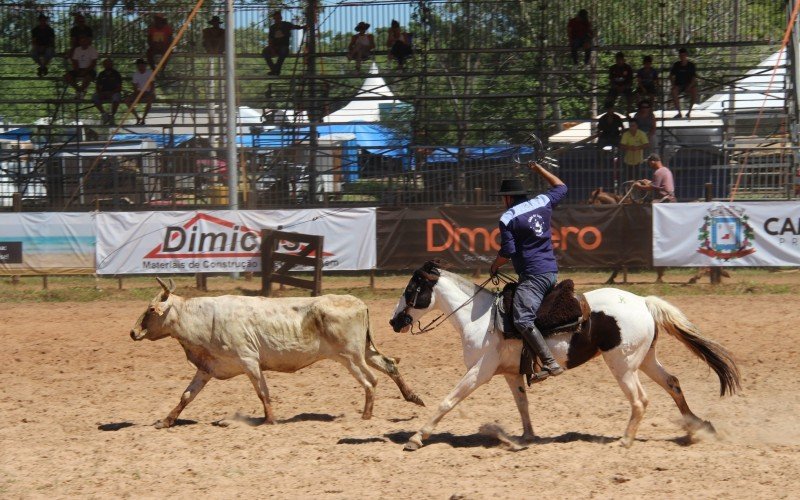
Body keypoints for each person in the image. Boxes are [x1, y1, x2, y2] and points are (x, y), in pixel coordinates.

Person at [489, 163, 568, 381]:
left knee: (522, 319)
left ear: (508, 198)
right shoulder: (541, 202)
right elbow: (561, 186)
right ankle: (537, 361)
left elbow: (508, 251)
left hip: (534, 276)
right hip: (551, 271)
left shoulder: (507, 217)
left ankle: (550, 362)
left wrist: (495, 265)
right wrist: (539, 169)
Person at [262, 11, 305, 76]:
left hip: (284, 46)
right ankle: (274, 69)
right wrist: (272, 49)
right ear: (274, 19)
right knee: (265, 51)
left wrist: (303, 27)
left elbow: (295, 27)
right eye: (275, 18)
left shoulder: (286, 24)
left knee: (283, 51)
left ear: (281, 18)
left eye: (278, 18)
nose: (277, 20)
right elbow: (270, 39)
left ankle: (275, 70)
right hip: (275, 47)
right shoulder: (272, 27)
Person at [92, 58, 122, 125]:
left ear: (112, 65)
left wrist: (111, 92)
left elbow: (119, 87)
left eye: (109, 64)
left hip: (113, 93)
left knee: (116, 97)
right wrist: (100, 93)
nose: (107, 65)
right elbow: (97, 86)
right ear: (104, 65)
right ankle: (104, 114)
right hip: (103, 93)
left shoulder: (116, 74)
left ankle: (112, 115)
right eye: (106, 64)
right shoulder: (101, 74)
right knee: (94, 97)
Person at [125, 58, 155, 125]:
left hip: (149, 92)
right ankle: (137, 117)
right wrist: (137, 92)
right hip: (139, 92)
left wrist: (151, 92)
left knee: (150, 100)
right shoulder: (136, 74)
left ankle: (143, 118)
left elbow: (152, 84)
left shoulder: (149, 72)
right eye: (138, 65)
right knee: (127, 100)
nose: (140, 67)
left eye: (142, 65)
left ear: (144, 65)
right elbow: (135, 87)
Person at [670, 48, 698, 118]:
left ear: (686, 55)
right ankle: (679, 112)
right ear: (679, 56)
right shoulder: (676, 65)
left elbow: (694, 78)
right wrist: (673, 85)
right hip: (678, 85)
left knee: (694, 91)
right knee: (673, 91)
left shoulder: (691, 65)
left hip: (688, 85)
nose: (682, 57)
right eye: (681, 55)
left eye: (683, 55)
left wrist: (689, 86)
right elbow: (670, 76)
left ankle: (689, 112)